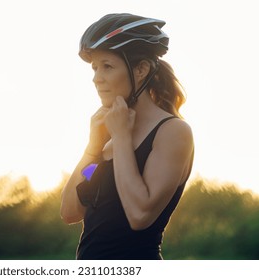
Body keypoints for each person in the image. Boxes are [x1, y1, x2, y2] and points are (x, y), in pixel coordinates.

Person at [60, 13, 194, 260]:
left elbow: (140, 215)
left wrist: (121, 137)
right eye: (95, 67)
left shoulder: (172, 131)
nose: (96, 78)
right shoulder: (106, 138)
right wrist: (93, 149)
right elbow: (70, 211)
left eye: (107, 66)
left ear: (141, 69)